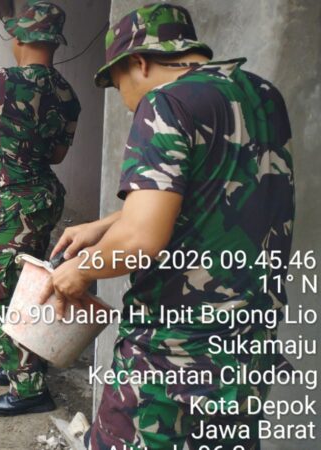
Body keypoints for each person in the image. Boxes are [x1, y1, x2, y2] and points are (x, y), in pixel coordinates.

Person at [45, 4, 293, 448]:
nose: (125, 102)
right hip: (249, 345)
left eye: (119, 84)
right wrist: (104, 225)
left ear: (138, 61)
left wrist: (79, 271)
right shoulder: (262, 96)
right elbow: (212, 193)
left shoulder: (166, 103)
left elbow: (141, 240)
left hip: (173, 355)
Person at [0, 2, 81, 416]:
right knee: (30, 285)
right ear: (54, 43)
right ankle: (22, 363)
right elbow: (57, 154)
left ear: (20, 39)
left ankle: (28, 388)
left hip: (12, 203)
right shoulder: (67, 94)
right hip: (43, 197)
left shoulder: (1, 82)